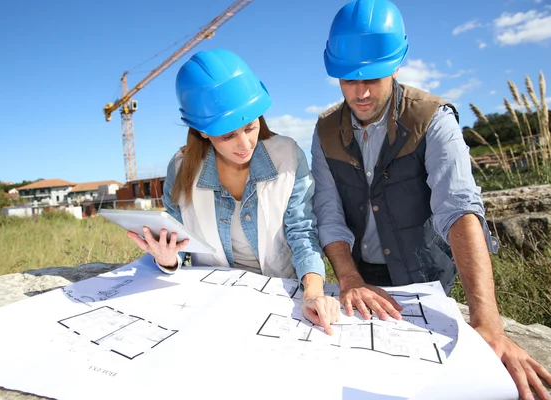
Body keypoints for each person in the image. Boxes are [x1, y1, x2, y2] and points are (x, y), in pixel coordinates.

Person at [311, 0, 551, 398]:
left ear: (397, 64)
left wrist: (488, 324)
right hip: (358, 277)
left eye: (373, 76)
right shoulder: (324, 131)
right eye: (348, 79)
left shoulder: (433, 119)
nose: (362, 92)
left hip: (423, 278)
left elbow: (458, 210)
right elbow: (328, 212)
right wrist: (349, 278)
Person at [128, 48, 340, 334]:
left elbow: (302, 232)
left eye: (251, 127)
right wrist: (166, 259)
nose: (244, 145)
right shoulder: (180, 170)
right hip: (212, 302)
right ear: (202, 131)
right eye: (228, 135)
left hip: (281, 296)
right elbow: (178, 244)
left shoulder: (288, 156)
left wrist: (313, 292)